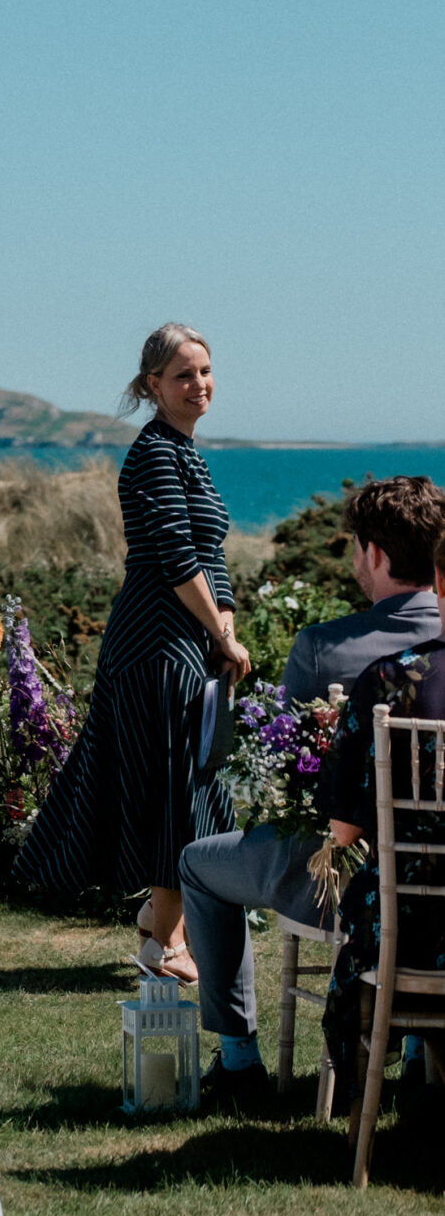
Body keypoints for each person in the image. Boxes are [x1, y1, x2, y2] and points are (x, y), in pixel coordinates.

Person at [181, 476, 445, 1111]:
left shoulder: (325, 649)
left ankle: (239, 1062)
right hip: (438, 886)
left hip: (339, 878)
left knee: (196, 863)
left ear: (375, 553)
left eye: (356, 547)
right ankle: (416, 1056)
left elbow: (301, 781)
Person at [16, 324, 250, 978]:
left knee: (186, 782)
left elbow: (211, 557)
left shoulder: (186, 452)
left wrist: (224, 630)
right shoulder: (153, 454)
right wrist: (221, 635)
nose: (199, 384)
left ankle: (158, 917)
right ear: (153, 385)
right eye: (183, 375)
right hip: (154, 646)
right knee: (172, 789)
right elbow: (176, 559)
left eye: (205, 371)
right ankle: (163, 945)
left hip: (188, 641)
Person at [317, 533, 445, 1110]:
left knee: (371, 912)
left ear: (438, 583)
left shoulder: (391, 681)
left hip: (415, 927)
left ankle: (361, 1111)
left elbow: (343, 831)